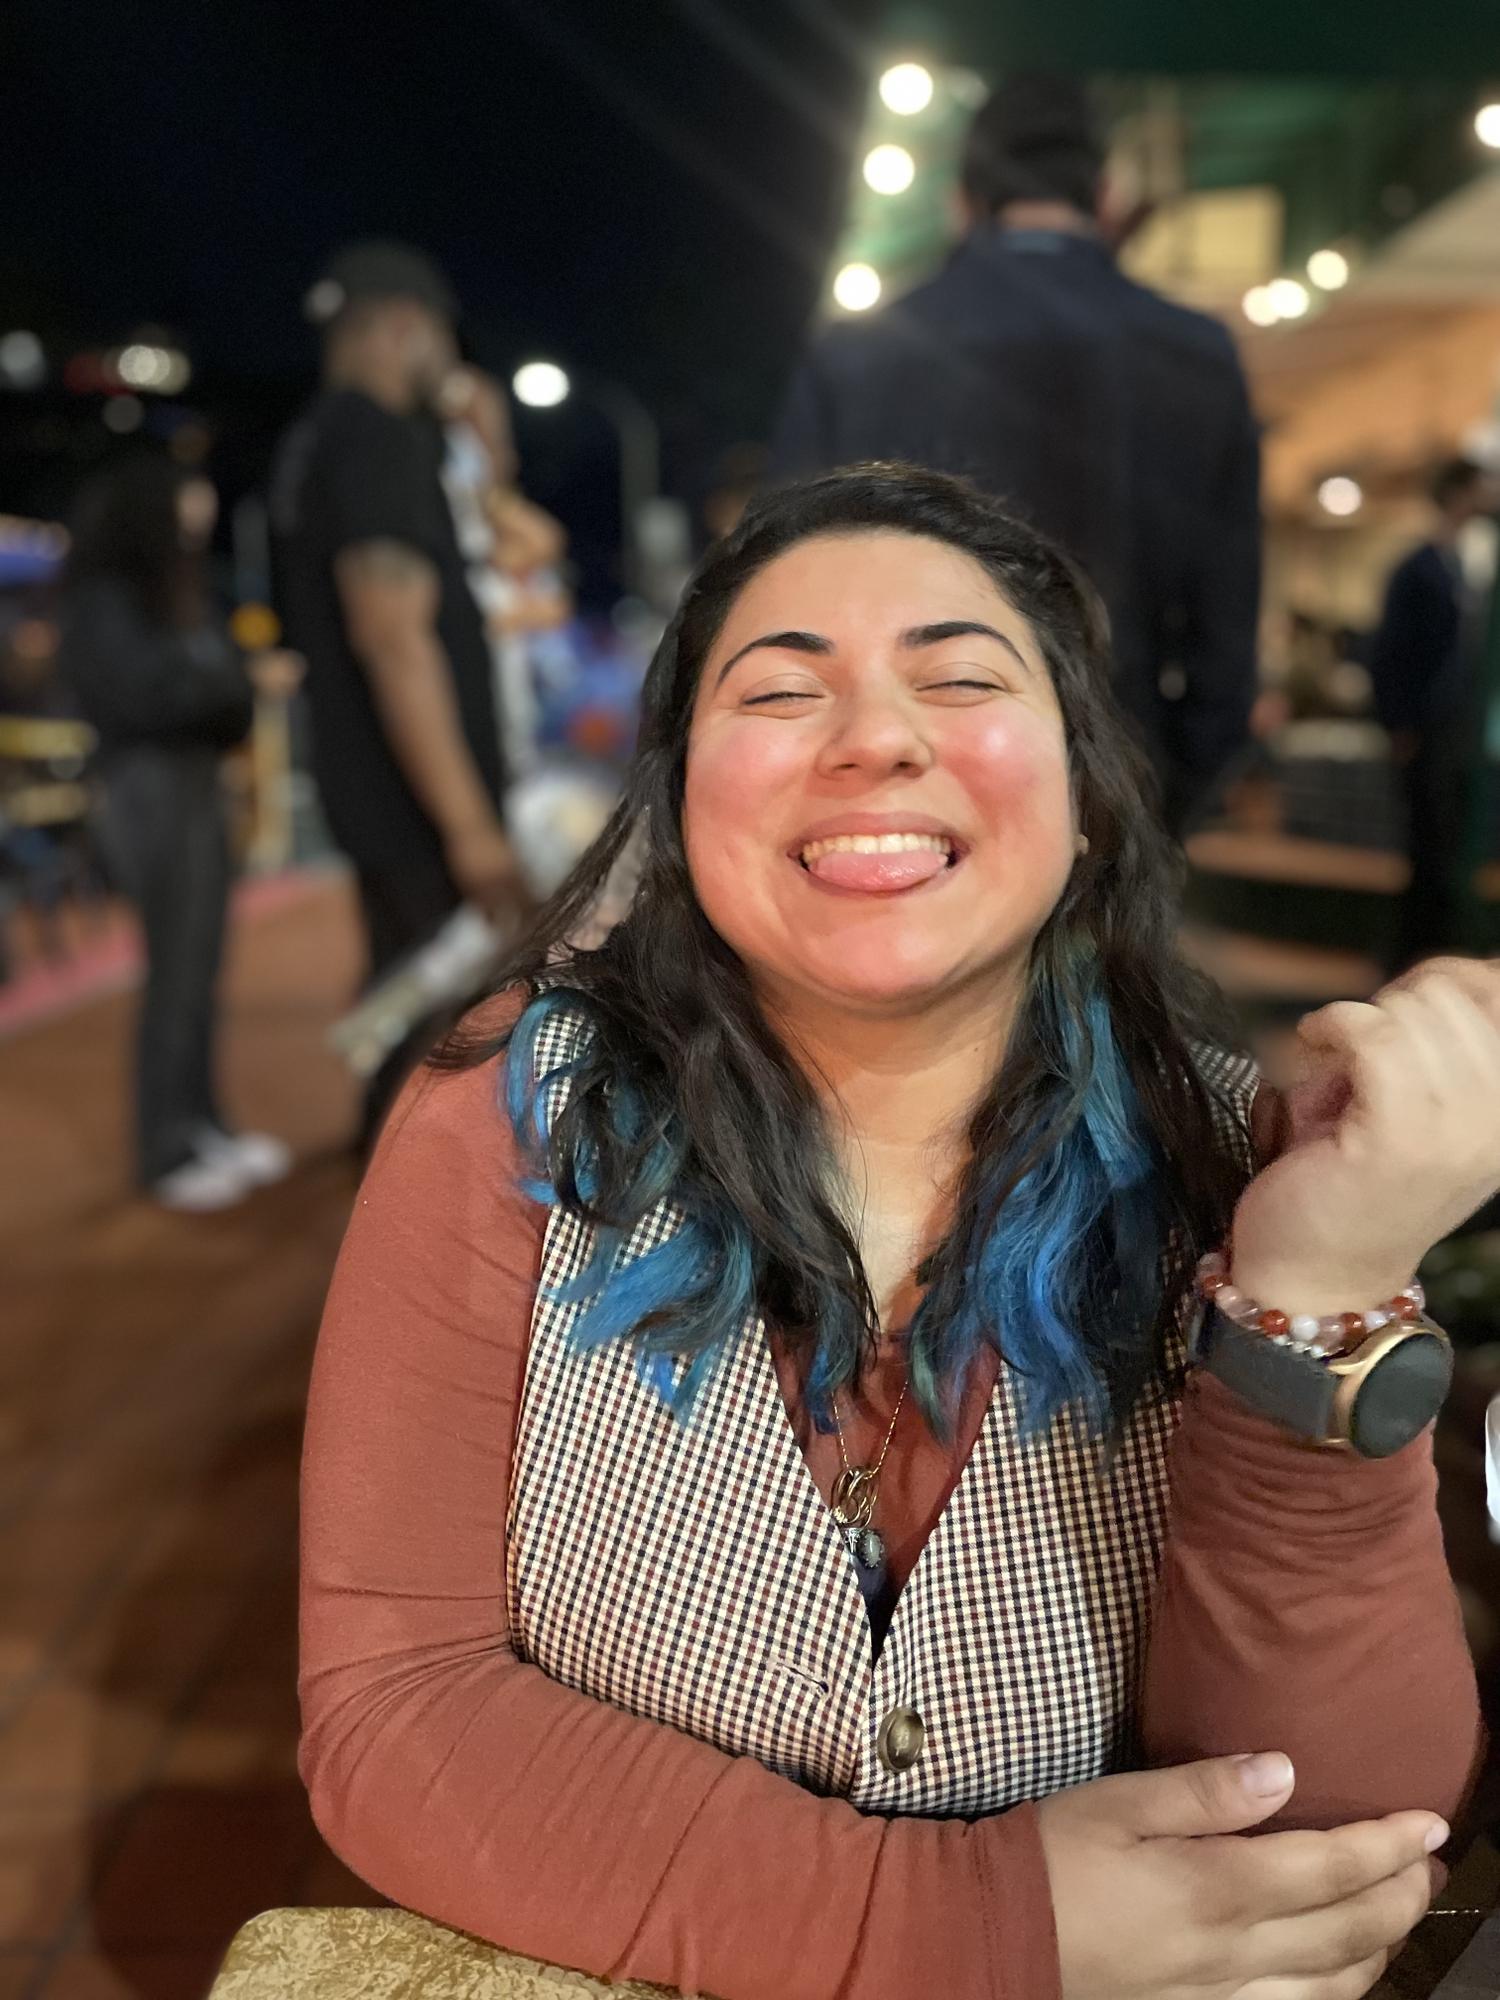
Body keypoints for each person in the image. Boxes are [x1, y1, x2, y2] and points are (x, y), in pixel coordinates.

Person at [301, 466, 1485, 2000]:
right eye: (780, 692)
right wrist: (961, 1921)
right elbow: (396, 1705)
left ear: (1085, 797)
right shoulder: (512, 1114)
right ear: (680, 802)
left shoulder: (1237, 1158)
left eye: (962, 679)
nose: (873, 738)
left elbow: (1339, 1846)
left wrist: (1319, 1291)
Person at [768, 76, 1261, 837]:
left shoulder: (857, 354)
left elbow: (784, 590)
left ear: (961, 203)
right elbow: (1225, 629)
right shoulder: (1199, 356)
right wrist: (1166, 795)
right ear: (1106, 196)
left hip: (906, 786)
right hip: (1117, 780)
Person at [270, 241, 524, 1138]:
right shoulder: (376, 437)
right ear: (405, 327)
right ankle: (407, 1207)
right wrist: (470, 826)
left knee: (410, 999)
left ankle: (386, 1176)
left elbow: (501, 542)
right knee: (450, 1034)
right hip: (415, 802)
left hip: (373, 788)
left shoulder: (314, 439)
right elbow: (393, 639)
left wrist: (487, 451)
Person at [58, 454, 296, 1211]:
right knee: (176, 972)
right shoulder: (107, 595)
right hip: (150, 791)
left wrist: (226, 685)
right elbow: (145, 694)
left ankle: (204, 1125)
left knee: (202, 968)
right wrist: (233, 681)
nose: (201, 505)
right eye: (187, 493)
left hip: (191, 786)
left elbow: (210, 693)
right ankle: (164, 1152)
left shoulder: (175, 590)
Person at [1370, 455, 1498, 971]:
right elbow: (1391, 652)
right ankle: (1411, 959)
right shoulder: (1419, 568)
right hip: (1425, 730)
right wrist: (1399, 724)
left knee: (1448, 847)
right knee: (1426, 847)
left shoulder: (1466, 564)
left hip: (1458, 729)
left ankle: (1439, 955)